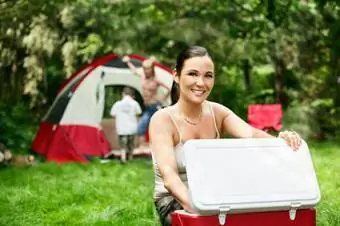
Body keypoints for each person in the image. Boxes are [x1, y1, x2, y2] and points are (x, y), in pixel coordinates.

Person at [148, 45, 302, 226]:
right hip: (174, 201)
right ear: (176, 75)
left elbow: (250, 133)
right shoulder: (162, 120)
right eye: (192, 74)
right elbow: (170, 178)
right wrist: (201, 209)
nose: (201, 83)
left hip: (214, 196)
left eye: (208, 76)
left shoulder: (217, 112)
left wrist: (279, 140)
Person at [122, 55, 171, 150]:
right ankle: (142, 148)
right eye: (144, 69)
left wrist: (162, 98)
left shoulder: (156, 80)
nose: (146, 71)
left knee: (159, 128)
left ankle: (163, 147)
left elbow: (169, 88)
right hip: (148, 108)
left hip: (155, 106)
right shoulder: (143, 76)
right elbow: (135, 71)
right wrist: (128, 62)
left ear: (152, 69)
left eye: (148, 69)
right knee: (141, 128)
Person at [110, 86, 142, 163]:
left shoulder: (117, 104)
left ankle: (123, 158)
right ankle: (130, 157)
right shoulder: (134, 103)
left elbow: (112, 114)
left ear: (123, 94)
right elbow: (139, 112)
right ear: (132, 95)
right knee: (130, 144)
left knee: (122, 145)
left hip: (122, 128)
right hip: (132, 127)